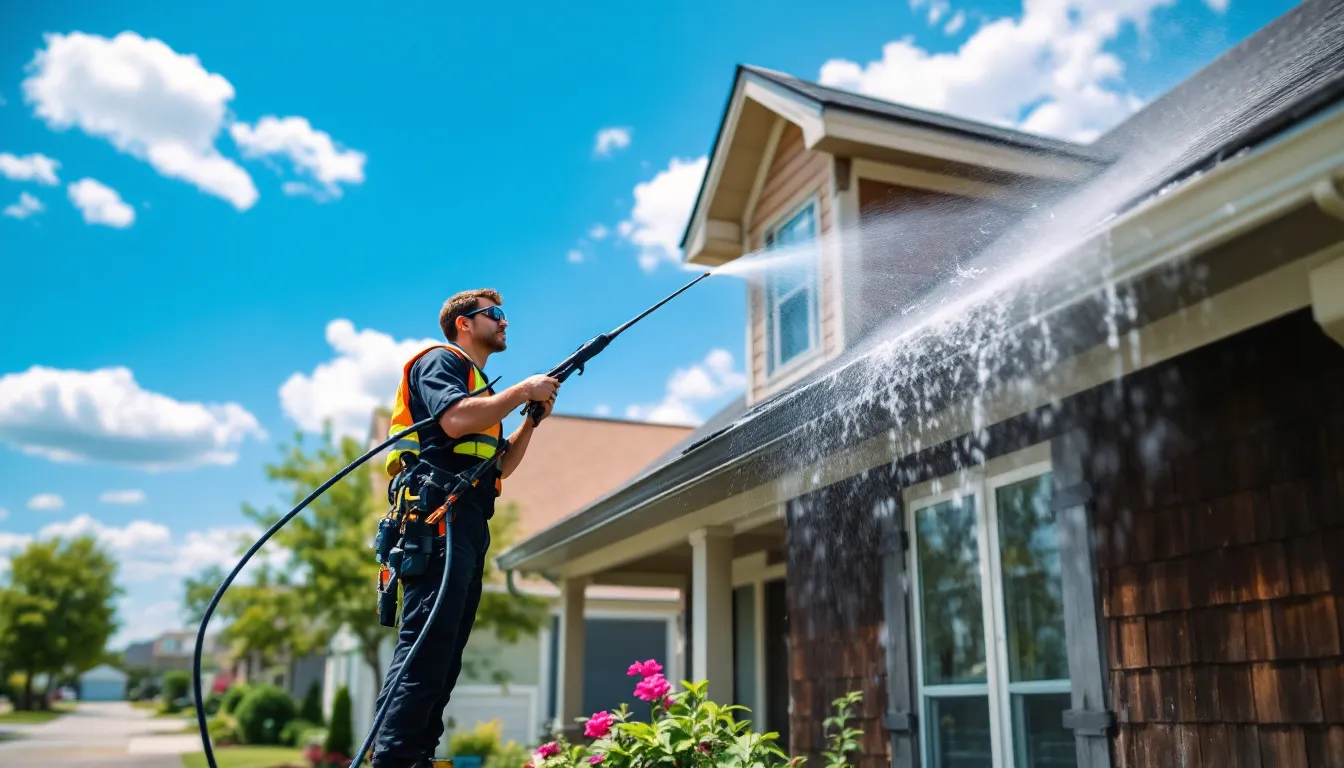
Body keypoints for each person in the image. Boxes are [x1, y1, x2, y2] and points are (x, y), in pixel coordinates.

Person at [372, 288, 559, 768]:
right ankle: (393, 759)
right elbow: (453, 421)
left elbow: (501, 467)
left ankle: (416, 754)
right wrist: (521, 391)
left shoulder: (481, 389)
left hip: (468, 518)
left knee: (447, 649)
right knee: (427, 641)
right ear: (463, 323)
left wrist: (530, 422)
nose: (504, 323)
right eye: (494, 315)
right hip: (438, 515)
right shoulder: (442, 361)